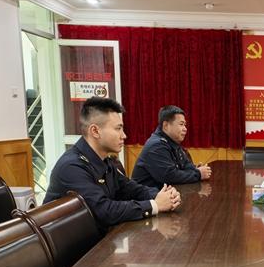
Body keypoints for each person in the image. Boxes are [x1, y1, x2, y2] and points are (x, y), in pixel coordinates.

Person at [44, 97, 180, 234]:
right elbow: (104, 210)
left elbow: (129, 188)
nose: (124, 135)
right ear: (95, 131)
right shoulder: (72, 167)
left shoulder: (104, 161)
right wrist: (154, 205)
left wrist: (163, 195)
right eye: (118, 129)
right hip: (80, 246)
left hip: (100, 239)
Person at [132, 105, 211, 188]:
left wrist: (194, 169)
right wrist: (198, 174)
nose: (185, 129)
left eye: (185, 125)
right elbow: (170, 176)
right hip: (148, 195)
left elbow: (185, 164)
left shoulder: (172, 142)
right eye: (181, 124)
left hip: (165, 193)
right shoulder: (156, 146)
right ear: (166, 125)